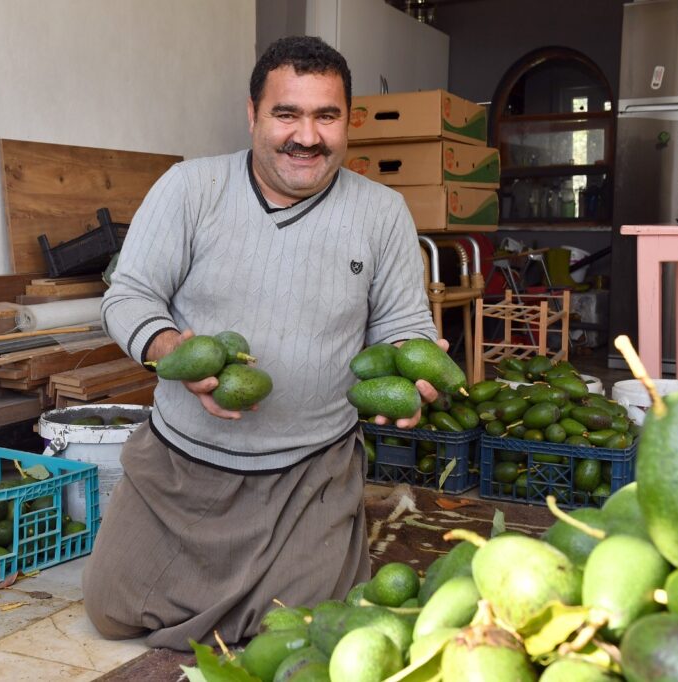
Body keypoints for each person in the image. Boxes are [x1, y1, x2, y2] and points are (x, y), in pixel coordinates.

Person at [82, 35, 449, 650]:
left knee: (301, 632)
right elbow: (128, 296)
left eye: (325, 116)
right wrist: (171, 349)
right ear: (252, 115)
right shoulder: (190, 188)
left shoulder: (381, 212)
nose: (306, 136)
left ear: (347, 122)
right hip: (183, 463)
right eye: (287, 114)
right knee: (113, 610)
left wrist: (415, 369)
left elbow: (401, 327)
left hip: (311, 472)